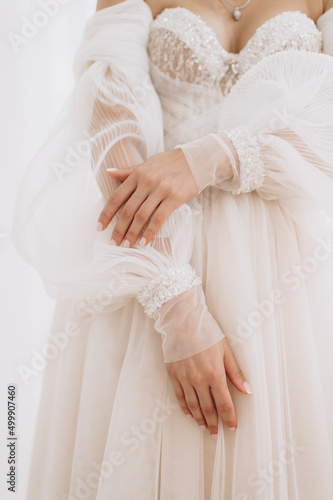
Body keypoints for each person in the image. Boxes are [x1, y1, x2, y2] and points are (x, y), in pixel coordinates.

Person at [13, 0, 333, 498]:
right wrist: (176, 304)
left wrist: (210, 157)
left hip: (286, 278)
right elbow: (109, 121)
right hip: (147, 255)